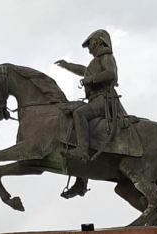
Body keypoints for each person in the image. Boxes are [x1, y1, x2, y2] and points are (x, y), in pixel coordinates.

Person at [55, 29, 119, 199]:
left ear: (98, 42)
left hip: (103, 101)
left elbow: (111, 74)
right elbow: (83, 70)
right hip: (95, 100)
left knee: (79, 114)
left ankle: (82, 151)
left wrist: (89, 80)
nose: (89, 49)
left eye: (90, 45)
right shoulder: (96, 61)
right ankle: (81, 182)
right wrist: (67, 65)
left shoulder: (106, 56)